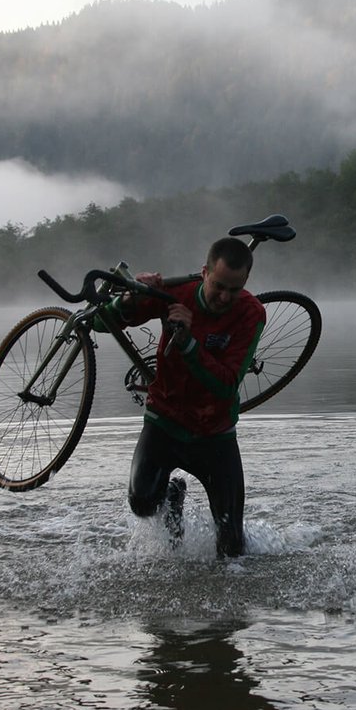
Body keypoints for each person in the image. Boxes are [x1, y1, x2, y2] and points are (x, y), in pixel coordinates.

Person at [99, 236, 265, 557]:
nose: (224, 296)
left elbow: (228, 384)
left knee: (232, 550)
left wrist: (189, 344)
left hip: (215, 434)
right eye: (218, 285)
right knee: (143, 504)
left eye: (235, 289)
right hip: (165, 423)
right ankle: (173, 495)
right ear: (204, 272)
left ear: (245, 282)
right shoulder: (175, 296)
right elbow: (101, 320)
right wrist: (132, 299)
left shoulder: (251, 313)